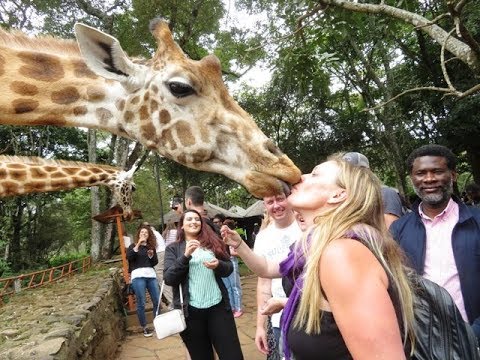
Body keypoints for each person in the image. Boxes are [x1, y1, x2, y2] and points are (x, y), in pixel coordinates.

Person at [222, 156, 416, 360]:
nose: (300, 176)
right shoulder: (316, 249)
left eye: (314, 174)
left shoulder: (343, 254)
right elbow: (269, 268)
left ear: (338, 195)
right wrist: (241, 245)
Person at [390, 144, 480, 342]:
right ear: (412, 178)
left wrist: (475, 334)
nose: (429, 179)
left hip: (473, 336)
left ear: (453, 175)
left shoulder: (477, 221)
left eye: (437, 171)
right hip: (422, 339)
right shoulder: (398, 229)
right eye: (421, 173)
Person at [164, 209, 244, 360]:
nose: (194, 222)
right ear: (181, 225)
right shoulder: (174, 249)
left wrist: (218, 265)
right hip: (191, 314)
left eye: (197, 219)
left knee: (232, 355)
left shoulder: (212, 243)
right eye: (189, 219)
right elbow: (169, 278)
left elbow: (229, 268)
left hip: (218, 308)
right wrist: (185, 256)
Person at [253, 194, 302, 359]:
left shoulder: (304, 226)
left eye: (280, 199)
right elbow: (264, 285)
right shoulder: (262, 238)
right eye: (270, 202)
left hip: (308, 315)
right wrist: (260, 326)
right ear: (265, 205)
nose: (276, 206)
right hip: (278, 319)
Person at [342, 152, 405, 228]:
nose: (349, 176)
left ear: (367, 172)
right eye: (345, 172)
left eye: (355, 171)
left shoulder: (386, 194)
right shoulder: (348, 198)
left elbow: (392, 232)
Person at [126, 224, 161, 337]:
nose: (144, 234)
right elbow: (130, 257)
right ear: (139, 234)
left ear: (149, 235)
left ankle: (157, 324)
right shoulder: (132, 246)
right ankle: (144, 327)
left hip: (151, 275)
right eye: (142, 233)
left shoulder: (151, 247)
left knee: (157, 300)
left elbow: (154, 262)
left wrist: (151, 256)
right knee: (141, 302)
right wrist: (138, 244)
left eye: (146, 233)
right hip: (137, 276)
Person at [142, 221, 173, 308]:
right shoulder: (155, 232)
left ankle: (172, 301)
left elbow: (153, 245)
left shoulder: (150, 233)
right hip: (164, 252)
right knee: (166, 276)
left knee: (161, 278)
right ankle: (171, 299)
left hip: (159, 254)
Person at [222, 218, 244, 318]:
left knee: (235, 286)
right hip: (224, 263)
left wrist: (229, 252)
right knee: (227, 287)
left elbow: (238, 252)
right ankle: (232, 307)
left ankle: (239, 308)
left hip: (232, 262)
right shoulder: (223, 237)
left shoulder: (234, 237)